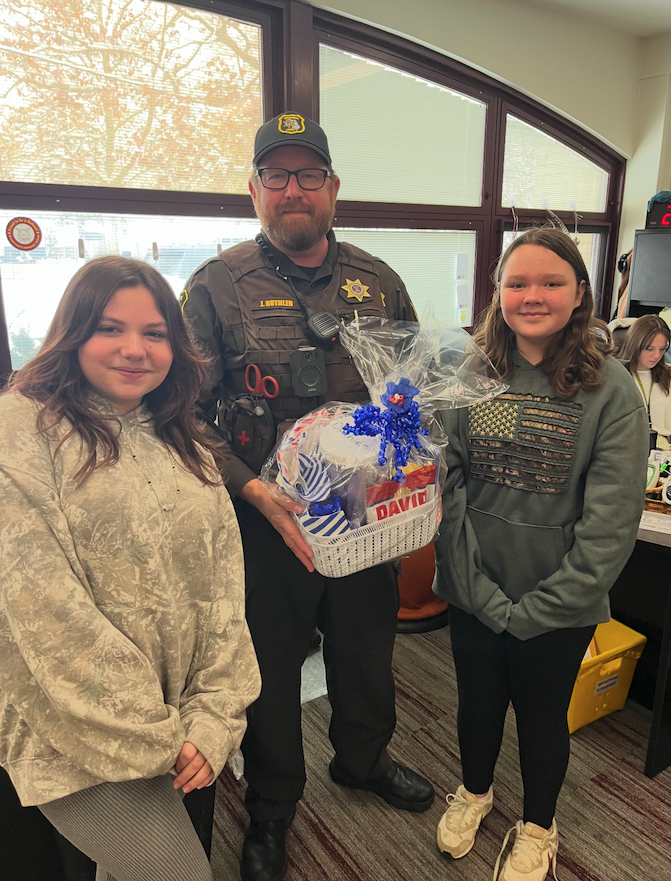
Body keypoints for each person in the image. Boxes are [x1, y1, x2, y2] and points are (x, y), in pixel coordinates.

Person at [181, 112, 434, 881]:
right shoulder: (216, 284)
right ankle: (270, 811)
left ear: (332, 189)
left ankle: (362, 759)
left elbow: (412, 386)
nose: (294, 190)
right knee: (270, 670)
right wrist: (251, 490)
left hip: (361, 518)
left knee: (366, 653)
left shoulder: (377, 279)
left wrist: (405, 451)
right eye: (278, 176)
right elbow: (183, 413)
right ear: (255, 189)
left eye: (309, 175)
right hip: (265, 517)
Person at [0, 256, 261, 881]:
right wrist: (154, 736)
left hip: (184, 728)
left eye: (155, 333)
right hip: (74, 731)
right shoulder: (22, 430)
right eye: (109, 328)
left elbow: (224, 591)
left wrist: (214, 714)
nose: (134, 350)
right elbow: (43, 612)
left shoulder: (181, 435)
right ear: (71, 332)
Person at [433, 228, 648, 881]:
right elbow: (446, 483)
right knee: (474, 703)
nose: (531, 295)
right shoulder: (469, 374)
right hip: (473, 588)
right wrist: (479, 591)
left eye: (550, 282)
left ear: (578, 292)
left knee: (540, 718)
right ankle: (473, 792)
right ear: (496, 291)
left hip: (558, 604)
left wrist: (536, 609)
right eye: (515, 282)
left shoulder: (609, 390)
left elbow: (610, 522)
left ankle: (537, 826)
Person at [619, 313, 671, 447]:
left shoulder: (668, 375)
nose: (656, 355)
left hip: (664, 453)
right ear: (635, 345)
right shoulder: (618, 375)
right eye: (649, 349)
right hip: (628, 449)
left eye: (662, 349)